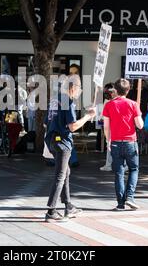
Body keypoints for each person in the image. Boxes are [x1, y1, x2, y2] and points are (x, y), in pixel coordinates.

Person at [44, 74, 96, 222]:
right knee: (61, 175)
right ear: (73, 88)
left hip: (52, 140)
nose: (79, 92)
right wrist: (87, 117)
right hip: (62, 142)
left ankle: (68, 206)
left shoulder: (54, 100)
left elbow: (45, 122)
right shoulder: (68, 101)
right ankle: (51, 210)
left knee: (66, 172)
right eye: (80, 89)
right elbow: (72, 126)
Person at [103, 78, 144, 211]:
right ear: (128, 90)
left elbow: (106, 127)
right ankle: (130, 197)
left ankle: (120, 203)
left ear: (115, 89)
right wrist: (139, 115)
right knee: (133, 169)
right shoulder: (133, 104)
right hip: (130, 142)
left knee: (119, 173)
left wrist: (108, 140)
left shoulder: (108, 105)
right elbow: (140, 125)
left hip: (115, 142)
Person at [99, 83, 117, 171]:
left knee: (110, 144)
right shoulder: (118, 101)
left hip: (111, 126)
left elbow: (104, 117)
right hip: (115, 126)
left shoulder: (107, 102)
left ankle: (109, 164)